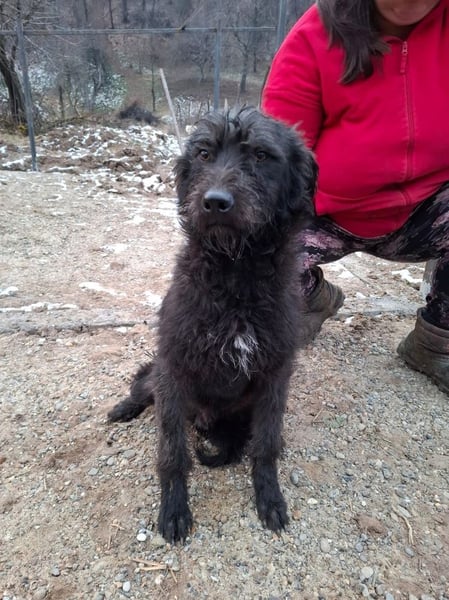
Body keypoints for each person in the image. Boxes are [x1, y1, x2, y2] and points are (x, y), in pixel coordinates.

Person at [261, 0, 449, 393]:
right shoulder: (313, 39)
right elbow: (277, 160)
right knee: (249, 243)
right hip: (329, 215)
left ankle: (436, 341)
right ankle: (310, 297)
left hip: (428, 209)